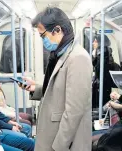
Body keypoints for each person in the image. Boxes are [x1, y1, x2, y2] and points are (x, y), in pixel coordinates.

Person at [19, 7, 92, 151]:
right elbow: (60, 90)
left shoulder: (78, 58)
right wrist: (37, 88)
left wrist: (58, 147)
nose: (42, 40)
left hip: (62, 142)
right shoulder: (60, 54)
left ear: (57, 30)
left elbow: (74, 111)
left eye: (43, 35)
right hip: (53, 135)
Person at [92, 34, 121, 108]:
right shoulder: (104, 52)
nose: (93, 43)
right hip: (104, 86)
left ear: (100, 42)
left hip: (102, 86)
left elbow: (99, 71)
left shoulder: (102, 54)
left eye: (95, 41)